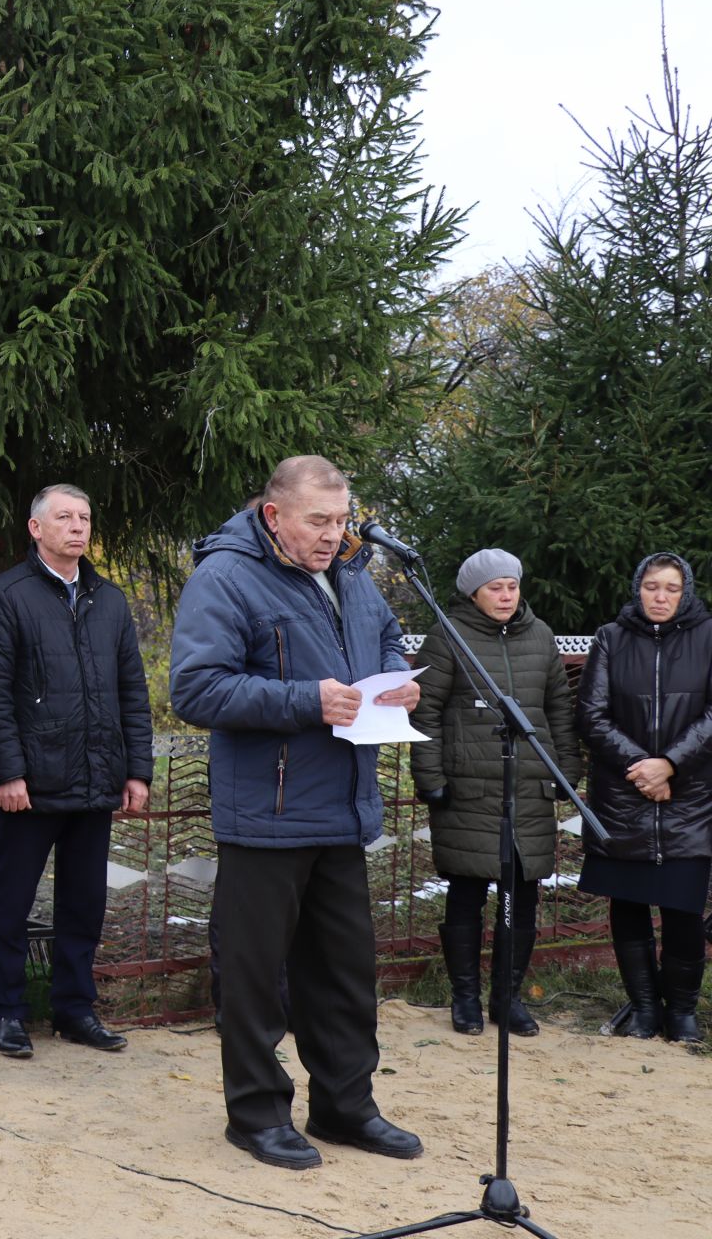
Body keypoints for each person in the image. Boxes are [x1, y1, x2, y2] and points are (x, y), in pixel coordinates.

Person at [169, 455, 423, 1170]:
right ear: (274, 515)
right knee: (254, 977)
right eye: (318, 520)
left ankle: (346, 1108)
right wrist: (305, 700)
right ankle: (255, 1115)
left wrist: (399, 680)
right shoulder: (225, 576)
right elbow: (195, 688)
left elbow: (387, 639)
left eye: (341, 520)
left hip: (342, 808)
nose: (332, 534)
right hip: (267, 812)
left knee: (345, 973)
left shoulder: (352, 573)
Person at [0, 483, 151, 1059]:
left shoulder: (110, 600)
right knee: (12, 902)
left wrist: (137, 771)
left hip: (98, 778)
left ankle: (75, 1009)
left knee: (84, 903)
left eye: (85, 517)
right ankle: (6, 1011)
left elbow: (132, 692)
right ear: (36, 528)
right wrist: (7, 772)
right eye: (65, 517)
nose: (78, 527)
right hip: (32, 782)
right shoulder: (6, 596)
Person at [410, 549, 582, 1038]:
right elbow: (425, 713)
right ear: (473, 593)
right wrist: (431, 779)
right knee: (467, 890)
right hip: (467, 788)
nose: (506, 596)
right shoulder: (448, 636)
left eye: (511, 586)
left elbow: (558, 710)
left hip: (527, 786)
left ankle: (506, 998)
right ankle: (463, 997)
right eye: (494, 588)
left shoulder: (540, 635)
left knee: (522, 892)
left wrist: (565, 770)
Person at [577, 552, 712, 1044]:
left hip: (690, 796)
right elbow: (591, 716)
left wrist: (671, 763)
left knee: (682, 906)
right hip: (624, 797)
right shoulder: (611, 639)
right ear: (638, 589)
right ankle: (644, 1008)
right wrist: (643, 769)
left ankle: (681, 1013)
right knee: (629, 904)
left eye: (671, 588)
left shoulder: (708, 636)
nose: (660, 597)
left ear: (685, 592)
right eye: (651, 587)